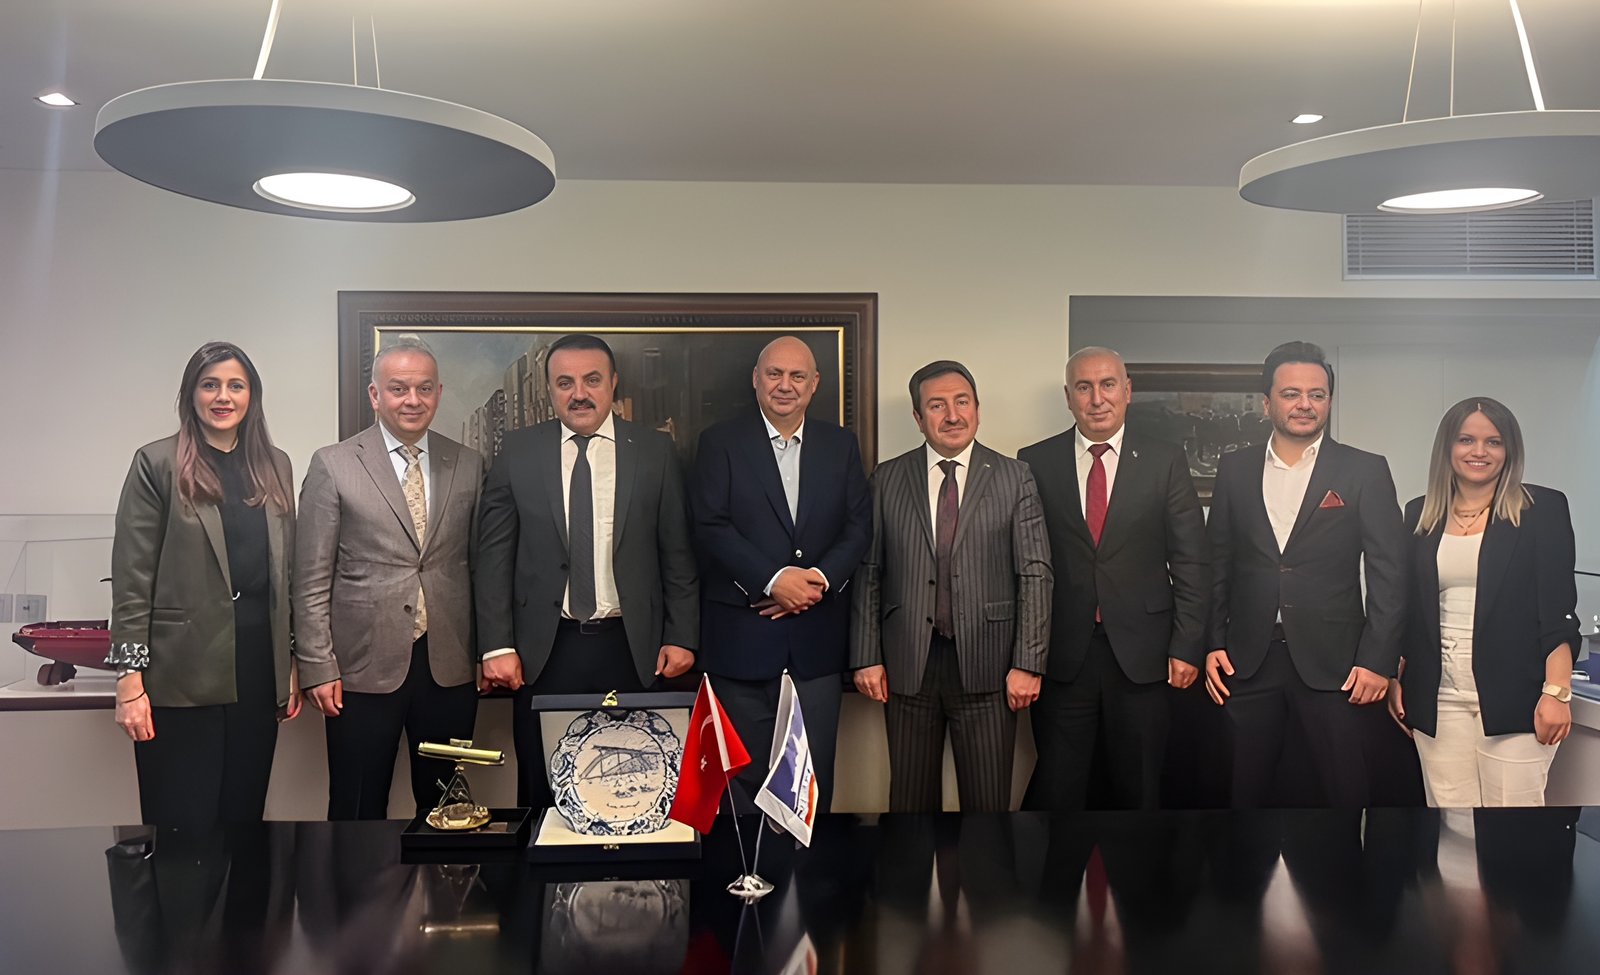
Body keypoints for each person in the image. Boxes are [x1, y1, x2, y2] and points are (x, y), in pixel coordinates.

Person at [476, 333, 699, 809]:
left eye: (592, 380)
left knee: (632, 784)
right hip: (543, 651)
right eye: (565, 383)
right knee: (544, 788)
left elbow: (677, 551)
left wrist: (682, 636)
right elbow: (493, 556)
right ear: (550, 390)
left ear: (613, 383)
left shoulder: (655, 452)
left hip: (632, 649)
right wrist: (497, 645)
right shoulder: (518, 451)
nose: (579, 393)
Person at [1204, 341, 1406, 807]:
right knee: (1242, 798)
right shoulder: (1235, 468)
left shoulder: (1365, 469)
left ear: (1329, 401)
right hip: (1247, 662)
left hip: (1339, 667)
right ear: (1266, 403)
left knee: (1341, 797)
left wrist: (1378, 659)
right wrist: (1212, 642)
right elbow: (1217, 562)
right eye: (1291, 393)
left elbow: (1389, 573)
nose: (1305, 404)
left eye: (1317, 394)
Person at [294, 336, 485, 820]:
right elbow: (311, 578)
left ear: (439, 393)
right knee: (358, 806)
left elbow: (480, 566)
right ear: (375, 395)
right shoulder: (334, 464)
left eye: (424, 388)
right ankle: (357, 877)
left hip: (449, 667)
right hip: (359, 669)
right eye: (399, 389)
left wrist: (488, 650)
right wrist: (318, 665)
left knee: (448, 809)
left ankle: (441, 874)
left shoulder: (468, 464)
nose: (412, 400)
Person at [108, 341, 298, 824]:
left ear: (252, 395)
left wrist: (290, 663)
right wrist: (129, 681)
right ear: (191, 394)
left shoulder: (276, 465)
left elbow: (286, 574)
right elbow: (132, 581)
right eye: (210, 385)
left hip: (257, 674)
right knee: (181, 828)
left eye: (236, 385)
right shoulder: (157, 463)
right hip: (179, 677)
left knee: (244, 822)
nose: (223, 396)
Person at [851, 360, 1052, 812]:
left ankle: (985, 866)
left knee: (987, 808)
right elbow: (869, 571)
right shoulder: (887, 478)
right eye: (937, 406)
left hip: (990, 666)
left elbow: (1035, 573)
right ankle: (912, 865)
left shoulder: (1014, 476)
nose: (952, 415)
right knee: (909, 806)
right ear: (918, 418)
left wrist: (1028, 663)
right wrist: (866, 656)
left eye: (962, 402)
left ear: (978, 409)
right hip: (908, 666)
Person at [1019, 347, 1209, 811]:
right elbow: (1023, 563)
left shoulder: (1165, 460)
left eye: (1107, 385)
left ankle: (1138, 864)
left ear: (1127, 391)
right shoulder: (1035, 461)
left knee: (1139, 788)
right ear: (1068, 397)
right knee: (1059, 788)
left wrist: (1187, 645)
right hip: (1063, 655)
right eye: (1084, 387)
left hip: (1146, 656)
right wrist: (1025, 654)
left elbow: (1191, 561)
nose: (1097, 398)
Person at [690, 336, 872, 814]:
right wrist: (773, 580)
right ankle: (749, 866)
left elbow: (858, 527)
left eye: (797, 376)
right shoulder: (719, 443)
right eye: (774, 374)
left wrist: (815, 582)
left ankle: (808, 868)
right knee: (742, 792)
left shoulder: (840, 445)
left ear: (814, 384)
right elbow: (710, 526)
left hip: (816, 646)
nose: (785, 385)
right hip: (741, 645)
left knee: (810, 789)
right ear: (756, 379)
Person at [1388, 397, 1579, 806]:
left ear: (1509, 450)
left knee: (1513, 831)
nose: (1479, 451)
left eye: (1493, 441)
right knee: (1452, 829)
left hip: (1518, 699)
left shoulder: (1541, 509)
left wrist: (1557, 692)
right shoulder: (1419, 514)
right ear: (1447, 447)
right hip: (1438, 700)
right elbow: (1407, 610)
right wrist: (1393, 676)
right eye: (1466, 440)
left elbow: (1558, 611)